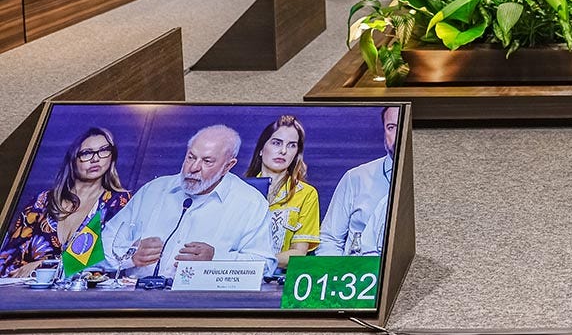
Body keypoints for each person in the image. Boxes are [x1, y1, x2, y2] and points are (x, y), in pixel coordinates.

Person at [102, 125, 276, 279]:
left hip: (205, 307)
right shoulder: (153, 190)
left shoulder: (250, 203)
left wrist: (216, 259)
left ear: (228, 166)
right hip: (136, 302)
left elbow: (265, 266)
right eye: (191, 157)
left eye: (207, 161)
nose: (193, 168)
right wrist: (130, 255)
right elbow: (99, 247)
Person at [0, 128, 131, 277]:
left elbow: (114, 259)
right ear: (73, 158)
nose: (96, 159)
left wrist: (45, 265)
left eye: (103, 150)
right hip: (32, 294)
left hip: (88, 297)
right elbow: (7, 261)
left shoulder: (120, 202)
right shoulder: (41, 202)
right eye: (87, 153)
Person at [317, 107, 398, 256]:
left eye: (404, 128)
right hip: (356, 272)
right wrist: (339, 274)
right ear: (384, 132)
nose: (399, 135)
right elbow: (330, 239)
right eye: (391, 127)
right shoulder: (356, 177)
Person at [244, 115, 320, 269]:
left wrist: (256, 263)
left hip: (278, 282)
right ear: (260, 149)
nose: (283, 151)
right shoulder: (239, 190)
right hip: (236, 279)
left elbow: (299, 253)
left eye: (292, 145)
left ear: (297, 153)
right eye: (276, 143)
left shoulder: (306, 194)